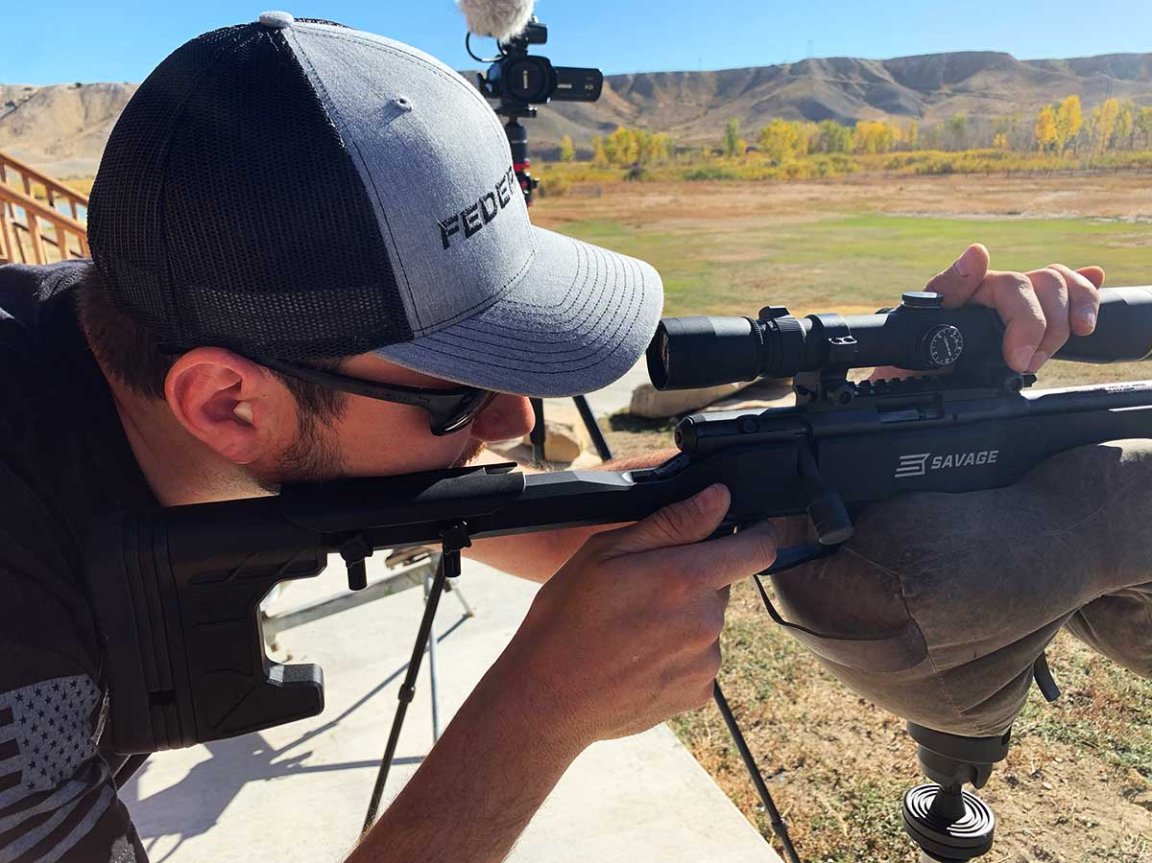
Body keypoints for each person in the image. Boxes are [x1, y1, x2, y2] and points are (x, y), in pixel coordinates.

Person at [0, 13, 1123, 863]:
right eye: (463, 392)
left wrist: (845, 431)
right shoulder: (20, 660)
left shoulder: (149, 337)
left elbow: (537, 517)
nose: (512, 423)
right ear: (229, 405)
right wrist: (533, 717)